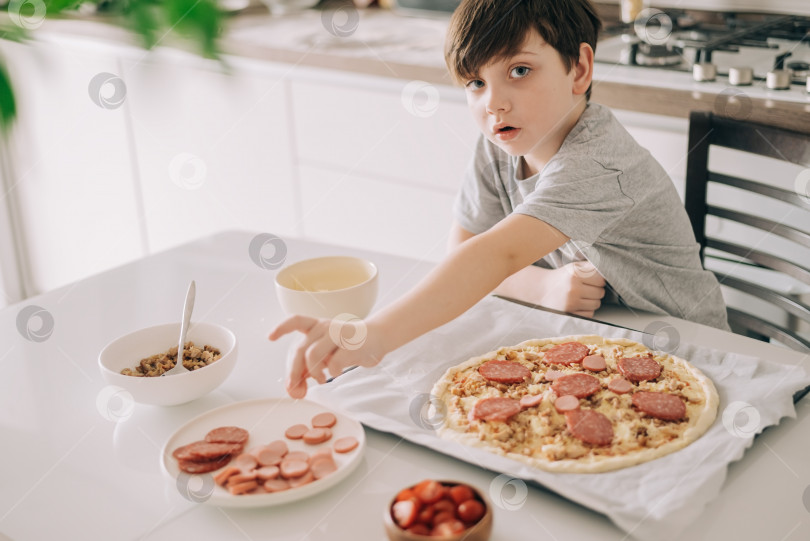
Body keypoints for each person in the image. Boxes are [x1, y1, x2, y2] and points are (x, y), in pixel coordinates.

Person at [269, 0, 729, 399]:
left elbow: (495, 254)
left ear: (580, 69)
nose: (493, 103)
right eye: (475, 83)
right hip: (606, 343)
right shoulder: (499, 144)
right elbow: (464, 250)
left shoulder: (600, 162)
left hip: (699, 352)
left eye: (519, 71)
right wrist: (541, 287)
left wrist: (373, 335)